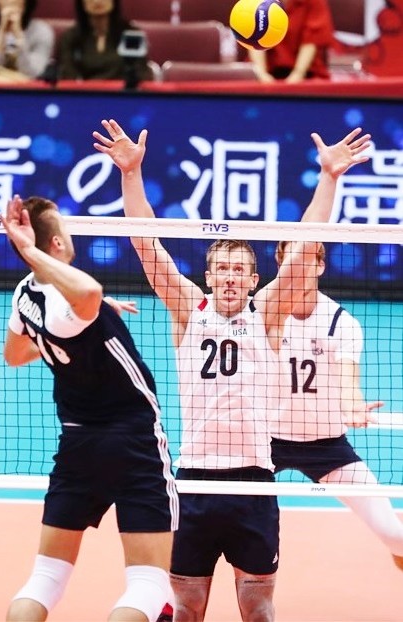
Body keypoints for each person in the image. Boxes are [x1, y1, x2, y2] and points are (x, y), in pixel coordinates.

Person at [92, 119, 371, 622]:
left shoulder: (267, 315)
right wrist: (130, 174)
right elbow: (146, 245)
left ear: (253, 279)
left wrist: (329, 177)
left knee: (257, 608)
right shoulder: (188, 309)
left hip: (254, 483)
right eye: (221, 268)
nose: (229, 277)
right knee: (187, 607)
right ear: (208, 275)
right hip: (194, 482)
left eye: (239, 269)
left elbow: (305, 247)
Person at [1, 193, 179, 622]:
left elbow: (15, 354)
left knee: (44, 580)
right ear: (56, 244)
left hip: (77, 443)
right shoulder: (75, 305)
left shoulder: (26, 294)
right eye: (64, 228)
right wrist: (83, 309)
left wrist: (90, 319)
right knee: (149, 585)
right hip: (133, 441)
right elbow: (88, 291)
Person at [267, 239, 403, 572]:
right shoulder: (262, 315)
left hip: (326, 446)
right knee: (201, 510)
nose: (298, 269)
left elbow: (348, 381)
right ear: (280, 266)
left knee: (394, 535)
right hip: (265, 444)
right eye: (290, 262)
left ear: (320, 266)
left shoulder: (342, 323)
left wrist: (353, 405)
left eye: (306, 261)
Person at [57, 0, 152, 82]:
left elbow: (142, 74)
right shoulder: (70, 37)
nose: (97, 1)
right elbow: (68, 76)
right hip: (85, 94)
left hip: (122, 94)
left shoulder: (131, 34)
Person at [249, 0, 334, 83]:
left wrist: (298, 73)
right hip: (267, 72)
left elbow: (312, 38)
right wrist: (261, 73)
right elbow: (254, 35)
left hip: (308, 74)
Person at [0, 0, 54, 81]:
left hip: (28, 86)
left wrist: (19, 36)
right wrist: (2, 33)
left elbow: (35, 72)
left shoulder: (42, 32)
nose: (10, 1)